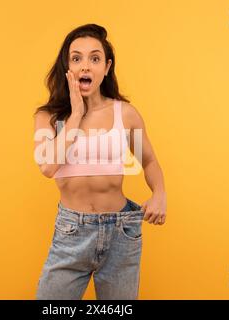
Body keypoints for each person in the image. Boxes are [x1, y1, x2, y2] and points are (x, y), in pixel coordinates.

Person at [33, 23, 167, 300]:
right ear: (67, 68)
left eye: (95, 59)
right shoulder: (48, 117)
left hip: (122, 232)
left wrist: (160, 194)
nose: (86, 66)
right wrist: (76, 114)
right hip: (72, 231)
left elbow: (150, 161)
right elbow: (47, 167)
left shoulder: (125, 114)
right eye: (76, 58)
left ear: (106, 68)